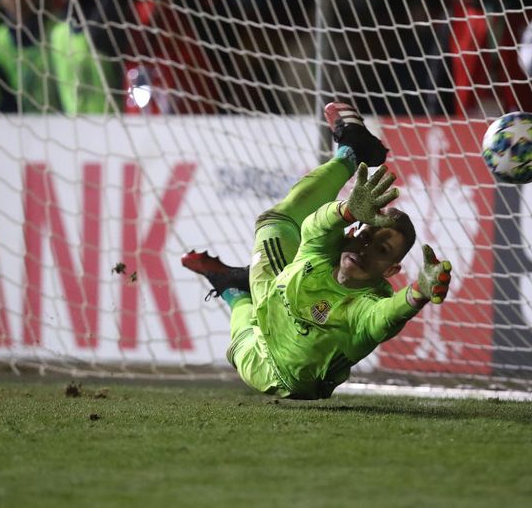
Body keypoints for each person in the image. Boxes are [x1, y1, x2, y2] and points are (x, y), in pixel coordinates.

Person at [182, 103, 453, 400]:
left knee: (241, 337)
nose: (365, 248)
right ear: (353, 234)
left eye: (382, 250)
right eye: (364, 235)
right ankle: (350, 152)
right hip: (275, 289)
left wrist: (417, 293)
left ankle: (232, 288)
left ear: (390, 271)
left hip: (271, 369)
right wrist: (347, 211)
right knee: (275, 223)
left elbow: (386, 316)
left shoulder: (365, 306)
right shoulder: (327, 253)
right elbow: (314, 226)